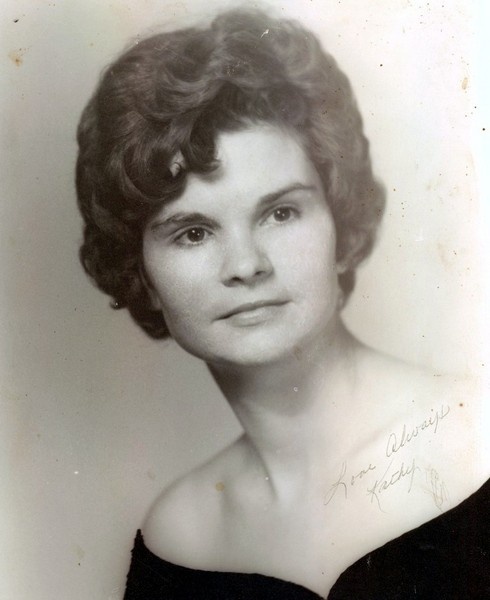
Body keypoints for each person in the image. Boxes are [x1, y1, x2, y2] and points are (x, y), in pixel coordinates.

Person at [75, 8, 489, 598]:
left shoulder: (477, 435)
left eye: (280, 212)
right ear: (140, 273)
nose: (247, 265)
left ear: (341, 225)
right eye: (194, 232)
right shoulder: (178, 539)